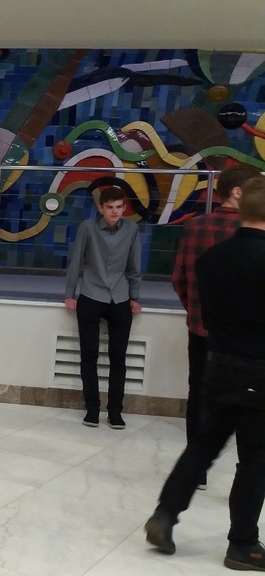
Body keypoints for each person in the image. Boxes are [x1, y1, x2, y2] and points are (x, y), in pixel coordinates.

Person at [145, 175, 265, 571]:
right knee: (255, 459)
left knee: (202, 446)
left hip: (218, 362)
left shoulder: (213, 260)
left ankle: (165, 514)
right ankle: (242, 544)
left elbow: (198, 303)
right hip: (260, 370)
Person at [171, 164, 258, 488]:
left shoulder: (194, 227)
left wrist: (195, 311)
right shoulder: (254, 232)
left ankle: (197, 472)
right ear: (237, 192)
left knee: (198, 394)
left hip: (201, 330)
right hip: (247, 340)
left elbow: (179, 279)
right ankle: (247, 474)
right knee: (251, 403)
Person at [64, 185, 143, 429]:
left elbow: (134, 265)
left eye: (119, 207)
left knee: (118, 357)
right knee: (89, 355)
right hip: (91, 294)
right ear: (101, 208)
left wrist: (135, 296)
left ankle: (115, 411)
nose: (114, 212)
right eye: (109, 207)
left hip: (119, 297)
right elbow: (76, 260)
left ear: (124, 208)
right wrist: (70, 294)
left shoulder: (132, 229)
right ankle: (92, 409)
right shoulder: (87, 227)